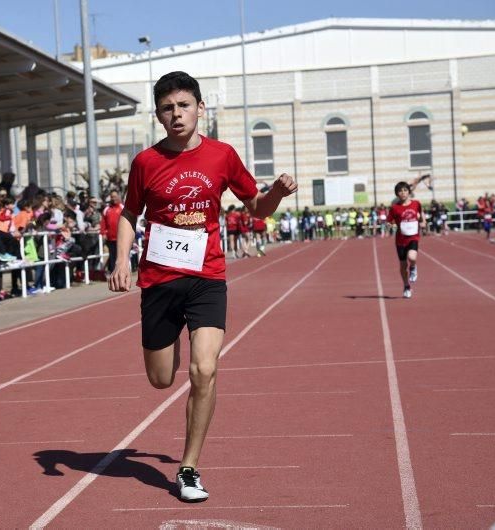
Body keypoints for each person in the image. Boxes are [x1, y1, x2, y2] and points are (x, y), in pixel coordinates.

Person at [108, 71, 297, 502]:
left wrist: (277, 194)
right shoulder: (146, 162)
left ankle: (188, 467)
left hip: (207, 277)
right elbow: (128, 214)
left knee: (205, 370)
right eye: (167, 109)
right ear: (158, 116)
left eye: (183, 106)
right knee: (161, 379)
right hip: (159, 279)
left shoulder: (222, 156)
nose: (176, 115)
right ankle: (170, 341)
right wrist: (121, 259)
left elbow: (255, 209)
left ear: (200, 108)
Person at [387, 181, 425, 299]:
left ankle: (413, 267)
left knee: (412, 257)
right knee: (403, 266)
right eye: (400, 191)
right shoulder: (394, 208)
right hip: (400, 240)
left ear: (409, 192)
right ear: (397, 194)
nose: (403, 193)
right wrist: (391, 225)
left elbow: (421, 214)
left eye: (405, 190)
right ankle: (406, 286)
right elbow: (389, 221)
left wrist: (423, 221)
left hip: (413, 236)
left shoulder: (416, 204)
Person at [100, 190, 124, 274]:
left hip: (121, 237)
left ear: (118, 197)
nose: (113, 198)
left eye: (115, 196)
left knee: (120, 254)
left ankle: (121, 271)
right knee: (112, 255)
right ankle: (113, 271)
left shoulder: (122, 207)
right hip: (110, 237)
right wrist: (103, 233)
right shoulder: (107, 209)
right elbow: (103, 222)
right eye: (112, 197)